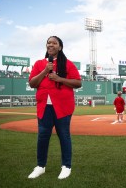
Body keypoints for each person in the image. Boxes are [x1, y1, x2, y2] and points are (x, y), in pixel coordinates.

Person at [28, 36, 82, 180]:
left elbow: (78, 83)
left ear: (60, 47)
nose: (50, 45)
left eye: (54, 43)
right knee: (42, 136)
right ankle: (40, 166)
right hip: (44, 106)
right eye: (48, 42)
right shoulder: (39, 64)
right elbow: (32, 83)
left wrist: (60, 79)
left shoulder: (68, 64)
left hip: (63, 107)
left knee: (64, 136)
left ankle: (66, 166)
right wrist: (45, 71)